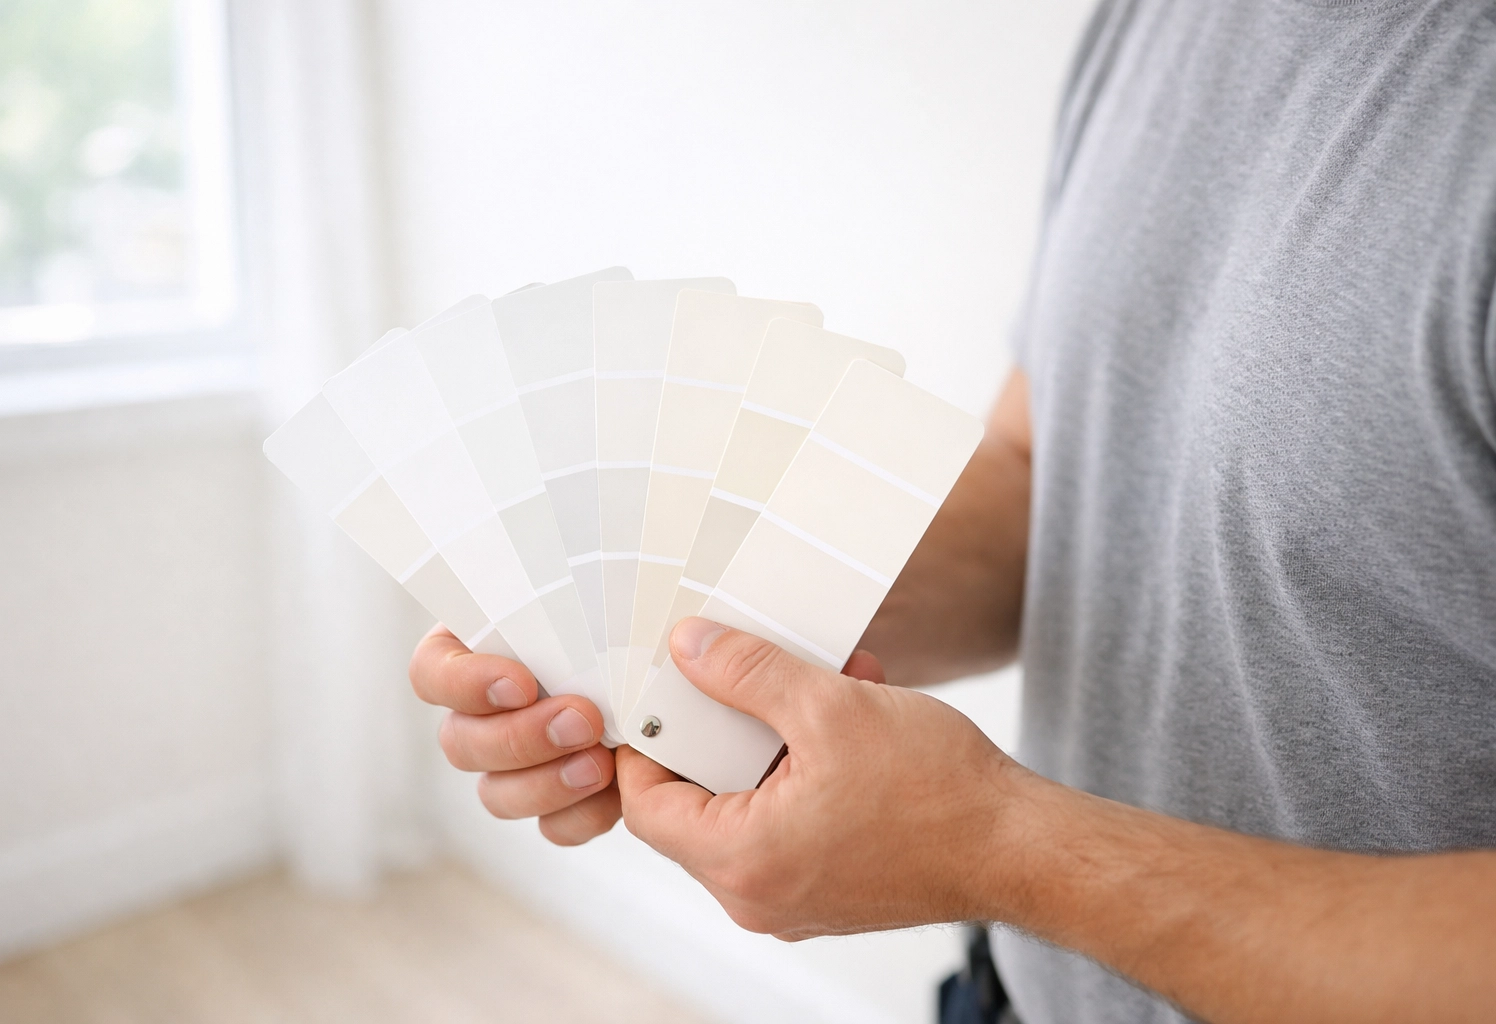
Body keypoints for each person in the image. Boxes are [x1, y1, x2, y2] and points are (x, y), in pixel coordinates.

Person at [408, 1, 1496, 1020]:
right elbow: (1047, 481)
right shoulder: (1161, 19)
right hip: (1014, 989)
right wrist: (691, 623)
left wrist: (1000, 846)